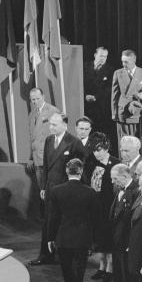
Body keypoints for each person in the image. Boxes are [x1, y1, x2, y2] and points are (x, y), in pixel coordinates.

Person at [30, 112, 87, 266]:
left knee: (63, 222)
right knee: (48, 221)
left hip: (65, 189)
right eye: (50, 124)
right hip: (50, 187)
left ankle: (66, 256)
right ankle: (45, 255)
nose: (51, 127)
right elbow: (46, 166)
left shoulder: (74, 142)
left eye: (54, 124)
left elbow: (82, 166)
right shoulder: (49, 140)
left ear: (64, 125)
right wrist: (43, 186)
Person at [46, 158, 99, 282]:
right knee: (80, 268)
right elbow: (95, 218)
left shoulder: (56, 191)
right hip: (82, 237)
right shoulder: (90, 192)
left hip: (63, 236)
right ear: (81, 172)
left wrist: (50, 237)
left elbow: (53, 217)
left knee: (66, 268)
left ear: (66, 171)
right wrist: (93, 239)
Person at [83, 133, 118, 282]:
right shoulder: (92, 163)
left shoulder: (115, 163)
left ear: (106, 148)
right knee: (99, 240)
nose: (96, 153)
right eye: (94, 150)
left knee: (108, 240)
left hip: (109, 208)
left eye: (99, 150)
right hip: (96, 208)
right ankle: (101, 267)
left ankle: (110, 269)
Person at [110, 163, 140, 282]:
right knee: (118, 276)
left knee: (128, 278)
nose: (113, 182)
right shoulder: (119, 190)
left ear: (124, 176)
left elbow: (134, 222)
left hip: (126, 242)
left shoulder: (135, 191)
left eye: (115, 179)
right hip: (117, 242)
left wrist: (131, 243)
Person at [27, 87, 60, 221]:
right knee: (42, 190)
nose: (35, 102)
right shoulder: (32, 114)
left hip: (49, 159)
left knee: (50, 190)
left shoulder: (53, 111)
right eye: (33, 100)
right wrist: (30, 158)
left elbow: (58, 135)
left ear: (43, 97)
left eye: (37, 99)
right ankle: (45, 219)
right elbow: (32, 138)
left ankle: (52, 218)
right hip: (37, 159)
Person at [111, 49, 142, 145]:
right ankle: (125, 160)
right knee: (124, 140)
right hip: (122, 110)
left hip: (137, 110)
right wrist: (114, 113)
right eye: (122, 61)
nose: (123, 64)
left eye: (126, 62)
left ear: (134, 60)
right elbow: (114, 94)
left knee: (136, 139)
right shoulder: (118, 73)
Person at [83, 46, 114, 150]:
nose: (103, 58)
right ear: (95, 55)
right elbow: (78, 84)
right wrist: (84, 96)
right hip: (85, 107)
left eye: (105, 57)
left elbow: (109, 89)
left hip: (101, 109)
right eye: (101, 56)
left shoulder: (110, 70)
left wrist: (96, 97)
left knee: (101, 134)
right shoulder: (84, 67)